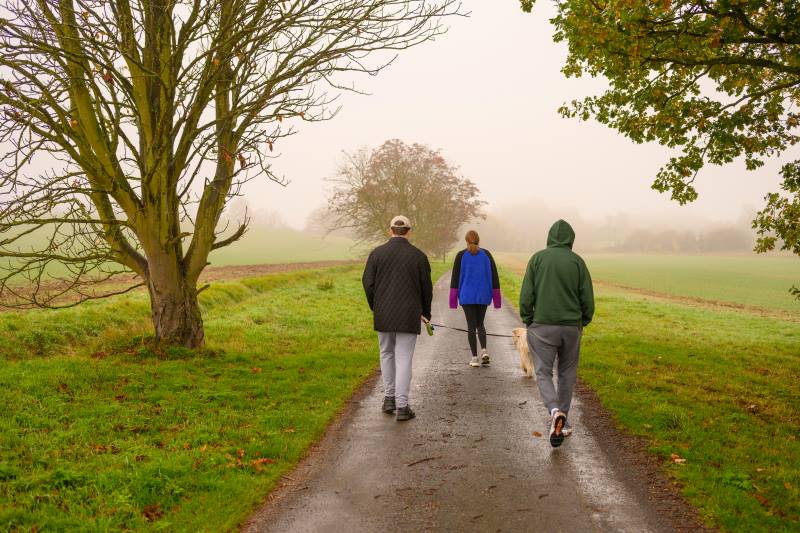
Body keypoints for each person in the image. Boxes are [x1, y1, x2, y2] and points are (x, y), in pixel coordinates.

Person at [519, 220, 594, 448]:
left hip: (542, 326)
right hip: (571, 327)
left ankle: (554, 412)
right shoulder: (578, 262)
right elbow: (587, 298)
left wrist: (529, 320)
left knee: (542, 372)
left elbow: (526, 295)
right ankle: (563, 420)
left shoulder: (537, 259)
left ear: (550, 237)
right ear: (571, 239)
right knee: (567, 372)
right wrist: (583, 321)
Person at [362, 215, 433, 422]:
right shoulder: (418, 256)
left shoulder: (377, 254)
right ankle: (402, 406)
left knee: (386, 354)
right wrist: (425, 312)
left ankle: (389, 399)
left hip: (383, 313)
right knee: (403, 358)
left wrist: (376, 306)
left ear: (390, 230)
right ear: (409, 231)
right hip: (409, 314)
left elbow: (368, 283)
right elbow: (426, 289)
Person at [449, 230, 501, 367]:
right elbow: (495, 276)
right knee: (480, 324)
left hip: (467, 295)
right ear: (479, 240)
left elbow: (455, 278)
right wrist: (497, 299)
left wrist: (453, 300)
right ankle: (484, 351)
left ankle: (474, 358)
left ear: (466, 241)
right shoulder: (487, 254)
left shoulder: (461, 255)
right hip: (483, 294)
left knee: (471, 326)